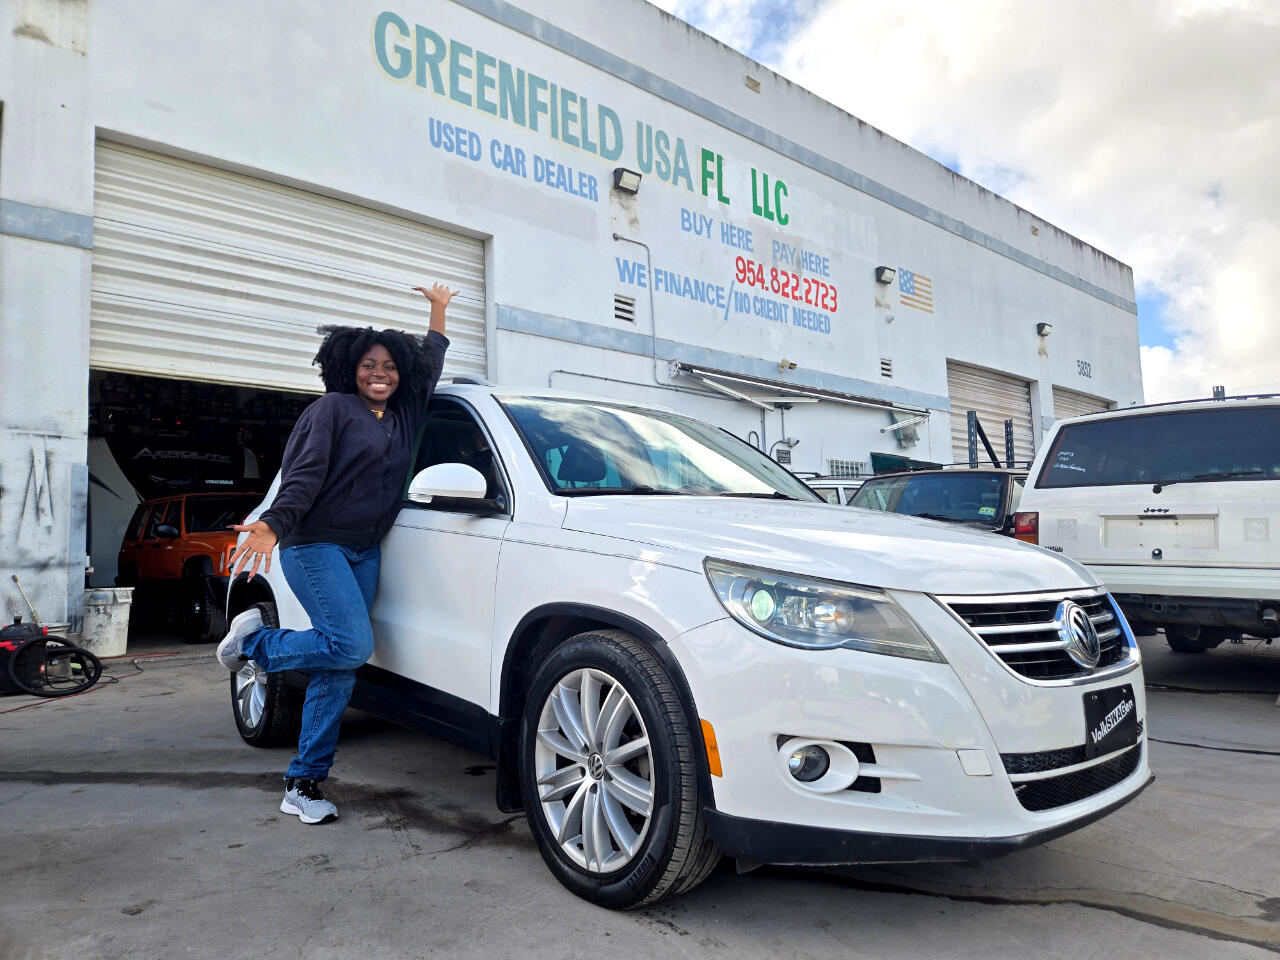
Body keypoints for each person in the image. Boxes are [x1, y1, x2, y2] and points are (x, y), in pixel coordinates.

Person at [216, 283, 456, 824]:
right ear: (350, 368)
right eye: (370, 365)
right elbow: (304, 477)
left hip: (363, 551)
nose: (381, 374)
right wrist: (272, 526)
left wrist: (438, 311)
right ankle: (254, 642)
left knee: (339, 667)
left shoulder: (403, 413)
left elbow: (432, 361)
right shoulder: (332, 411)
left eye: (391, 367)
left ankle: (303, 783)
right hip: (314, 544)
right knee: (350, 645)